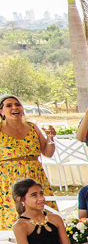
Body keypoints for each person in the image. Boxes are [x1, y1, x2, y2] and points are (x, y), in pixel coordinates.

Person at [0, 94, 55, 226]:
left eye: (17, 104)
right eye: (9, 105)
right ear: (1, 111)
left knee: (42, 215)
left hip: (34, 175)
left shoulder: (32, 127)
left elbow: (48, 153)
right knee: (15, 216)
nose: (14, 108)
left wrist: (50, 138)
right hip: (9, 177)